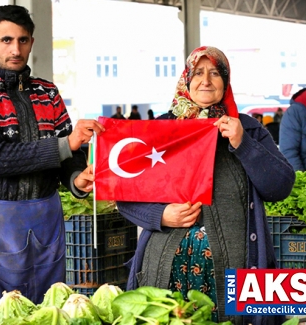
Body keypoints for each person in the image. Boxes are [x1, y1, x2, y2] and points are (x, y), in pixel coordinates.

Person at [116, 46, 294, 324]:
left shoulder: (247, 128)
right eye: (198, 73)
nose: (206, 80)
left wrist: (242, 144)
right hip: (166, 271)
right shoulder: (161, 129)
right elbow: (124, 194)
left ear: (225, 81)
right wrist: (159, 215)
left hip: (235, 274)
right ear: (187, 79)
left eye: (214, 73)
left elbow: (281, 186)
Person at [0, 5, 104, 304]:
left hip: (45, 219)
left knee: (47, 308)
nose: (15, 49)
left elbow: (69, 157)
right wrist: (65, 145)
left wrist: (76, 179)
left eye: (23, 40)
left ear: (31, 42)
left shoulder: (47, 92)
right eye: (6, 40)